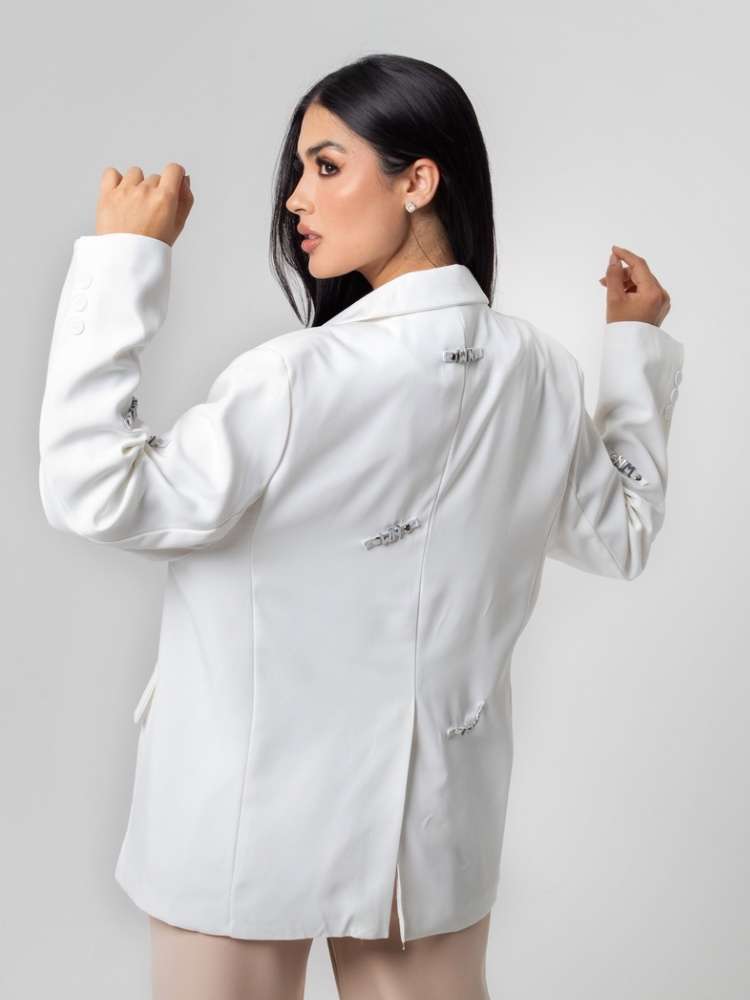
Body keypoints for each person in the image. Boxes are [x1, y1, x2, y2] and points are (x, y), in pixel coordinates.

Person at [38, 53, 683, 1000]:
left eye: (327, 166)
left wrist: (123, 260)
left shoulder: (295, 378)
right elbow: (621, 534)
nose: (296, 198)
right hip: (428, 829)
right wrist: (633, 352)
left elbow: (94, 490)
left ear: (418, 181)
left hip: (241, 817)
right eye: (300, 169)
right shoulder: (539, 372)